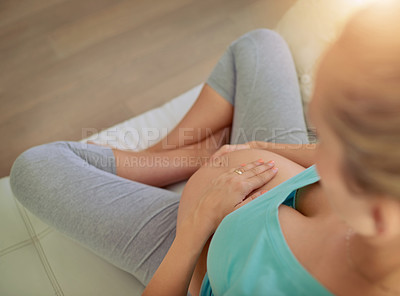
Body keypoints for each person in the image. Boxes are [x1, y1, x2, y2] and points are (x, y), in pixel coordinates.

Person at [9, 1, 400, 295]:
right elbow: (312, 158)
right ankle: (169, 157)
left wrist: (194, 231)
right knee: (261, 45)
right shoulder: (377, 191)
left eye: (325, 138)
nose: (313, 144)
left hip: (191, 241)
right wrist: (255, 145)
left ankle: (172, 160)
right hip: (243, 180)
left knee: (34, 168)